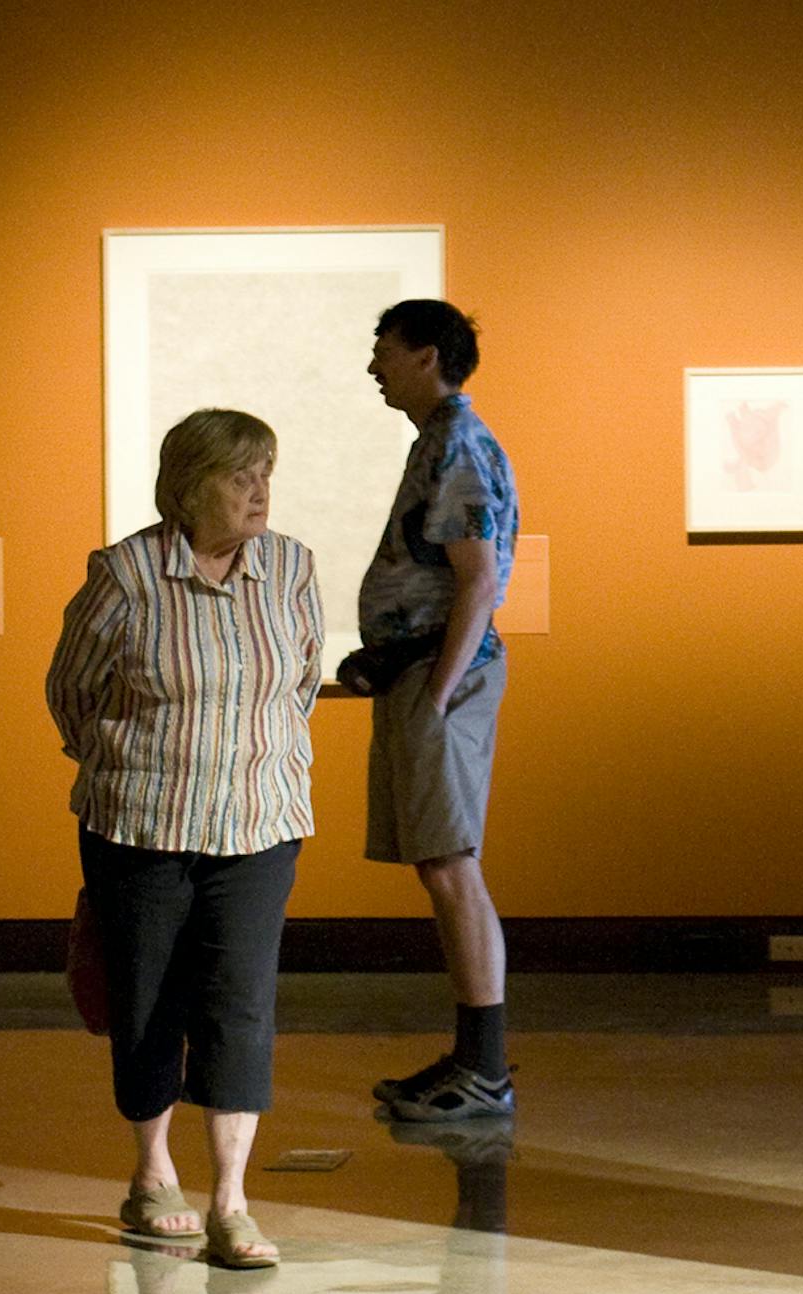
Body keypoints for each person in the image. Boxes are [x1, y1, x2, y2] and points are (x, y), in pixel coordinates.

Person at [47, 409, 322, 1270]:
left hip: (260, 823)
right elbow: (71, 693)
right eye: (240, 476)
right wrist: (141, 762)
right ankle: (152, 1171)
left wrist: (248, 754)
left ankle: (232, 1201)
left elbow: (303, 679)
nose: (259, 492)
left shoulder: (291, 568)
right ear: (188, 485)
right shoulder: (125, 575)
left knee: (241, 1001)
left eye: (265, 472)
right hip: (142, 824)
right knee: (149, 1000)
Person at [357, 299, 520, 1122]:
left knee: (452, 865)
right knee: (444, 865)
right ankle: (475, 1062)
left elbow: (478, 581)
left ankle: (484, 1071)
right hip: (421, 672)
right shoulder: (441, 440)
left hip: (438, 680)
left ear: (426, 355)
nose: (373, 365)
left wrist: (437, 686)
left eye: (383, 349)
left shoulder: (455, 443)